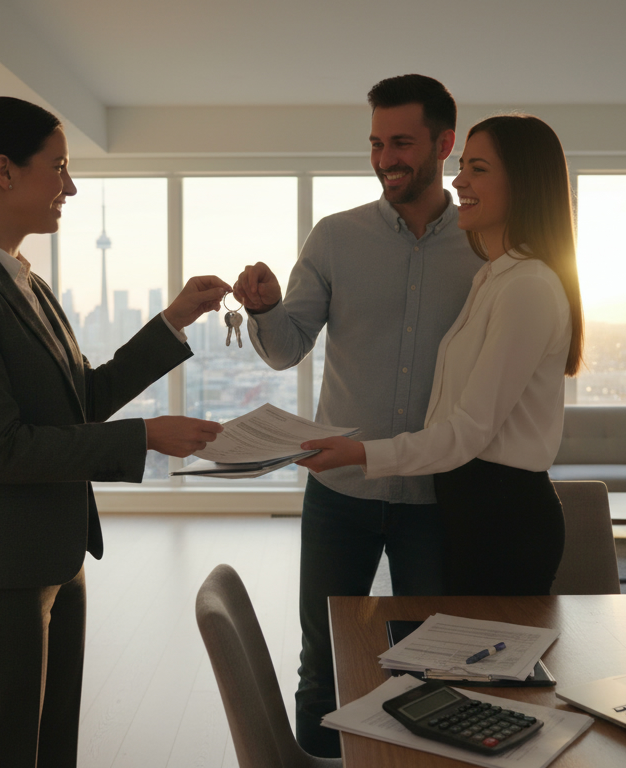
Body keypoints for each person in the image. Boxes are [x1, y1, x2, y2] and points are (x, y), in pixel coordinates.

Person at [0, 96, 228, 768]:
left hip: (54, 559)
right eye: (60, 168)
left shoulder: (27, 282)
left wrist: (174, 318)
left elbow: (81, 398)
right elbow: (1, 448)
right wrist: (144, 439)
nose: (70, 187)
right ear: (4, 171)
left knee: (50, 754)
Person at [231, 74, 483, 758]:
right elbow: (286, 350)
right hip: (338, 491)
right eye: (376, 142)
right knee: (324, 665)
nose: (384, 158)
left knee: (436, 662)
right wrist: (263, 309)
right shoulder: (336, 238)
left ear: (444, 142)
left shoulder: (485, 244)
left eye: (401, 142)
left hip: (437, 494)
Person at [298, 113, 585, 598]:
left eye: (478, 168)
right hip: (472, 510)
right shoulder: (495, 276)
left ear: (524, 182)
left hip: (502, 521)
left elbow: (467, 431)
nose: (460, 180)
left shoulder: (527, 287)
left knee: (484, 671)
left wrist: (362, 452)